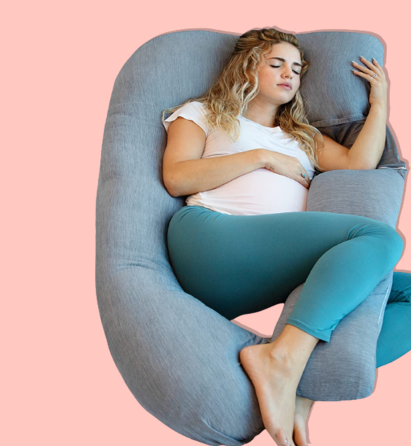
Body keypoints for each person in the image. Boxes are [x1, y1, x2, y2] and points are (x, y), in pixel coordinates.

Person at [162, 28, 410, 446]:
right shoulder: (202, 113)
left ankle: (300, 379)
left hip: (268, 268)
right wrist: (262, 157)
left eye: (296, 69)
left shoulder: (303, 138)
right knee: (380, 239)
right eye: (276, 63)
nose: (288, 74)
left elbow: (359, 162)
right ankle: (279, 358)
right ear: (246, 66)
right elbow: (176, 177)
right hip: (209, 240)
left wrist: (380, 101)